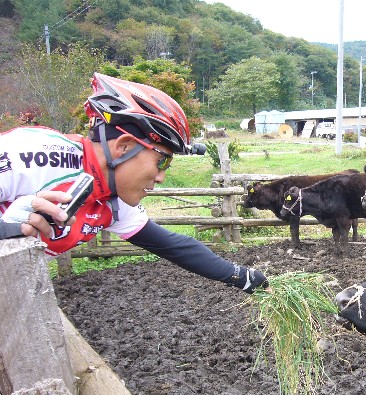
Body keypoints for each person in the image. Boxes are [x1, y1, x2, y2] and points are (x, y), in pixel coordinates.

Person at [0, 72, 268, 294]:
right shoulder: (33, 155)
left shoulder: (112, 201)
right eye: (161, 161)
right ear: (124, 146)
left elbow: (176, 247)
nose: (161, 177)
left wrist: (243, 277)